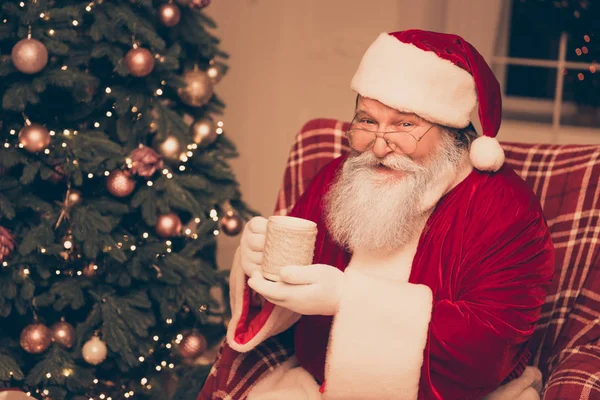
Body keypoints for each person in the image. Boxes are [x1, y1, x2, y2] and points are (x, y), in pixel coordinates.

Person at [200, 29, 555, 400]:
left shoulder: (504, 208)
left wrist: (348, 301)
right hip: (314, 384)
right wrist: (258, 266)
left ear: (452, 134)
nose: (380, 145)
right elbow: (289, 288)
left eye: (405, 124)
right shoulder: (338, 177)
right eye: (367, 121)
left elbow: (488, 350)